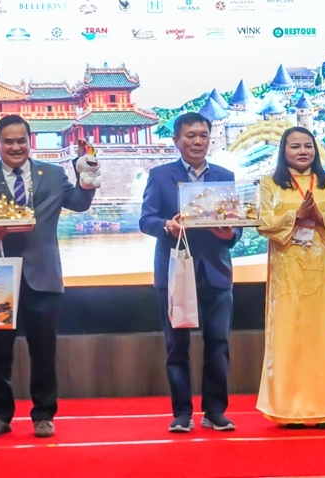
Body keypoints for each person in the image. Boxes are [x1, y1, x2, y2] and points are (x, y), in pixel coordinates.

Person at [0, 114, 96, 438]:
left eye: (21, 140)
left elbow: (79, 202)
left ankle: (43, 414)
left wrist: (87, 172)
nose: (15, 146)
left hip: (43, 274)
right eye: (8, 141)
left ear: (30, 141)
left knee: (44, 349)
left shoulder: (51, 174)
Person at [139, 112, 242, 433]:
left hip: (216, 272)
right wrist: (166, 226)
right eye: (190, 136)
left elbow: (234, 227)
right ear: (176, 141)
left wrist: (230, 235)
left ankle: (215, 411)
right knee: (177, 346)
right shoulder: (160, 176)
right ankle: (182, 413)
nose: (197, 142)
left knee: (218, 344)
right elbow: (146, 220)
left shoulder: (224, 176)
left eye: (203, 136)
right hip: (174, 272)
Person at [255, 126, 325, 428]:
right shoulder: (270, 184)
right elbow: (262, 220)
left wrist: (322, 217)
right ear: (283, 151)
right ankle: (289, 410)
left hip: (323, 273)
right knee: (289, 338)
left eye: (308, 146)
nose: (302, 151)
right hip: (287, 275)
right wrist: (296, 216)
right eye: (295, 146)